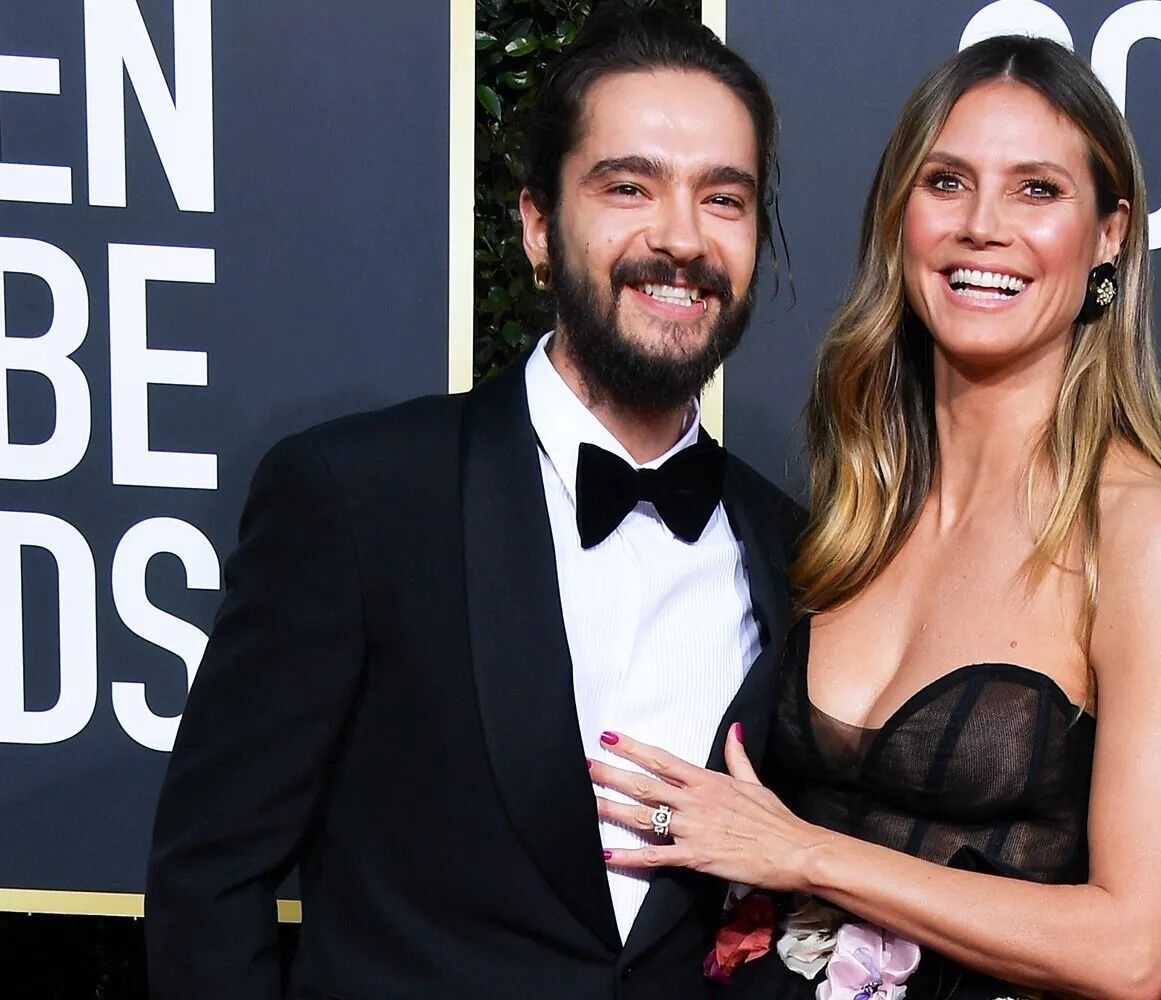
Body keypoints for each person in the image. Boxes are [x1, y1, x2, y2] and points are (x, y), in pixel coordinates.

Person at [144, 8, 799, 998]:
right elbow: (210, 876)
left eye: (724, 198)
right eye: (629, 186)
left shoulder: (795, 551)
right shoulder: (358, 497)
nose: (680, 237)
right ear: (538, 225)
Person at [587, 35, 1161, 1000]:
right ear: (900, 217)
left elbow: (1131, 949)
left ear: (1109, 234)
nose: (983, 227)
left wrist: (806, 856)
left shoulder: (1140, 533)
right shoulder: (850, 504)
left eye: (1037, 191)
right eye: (947, 181)